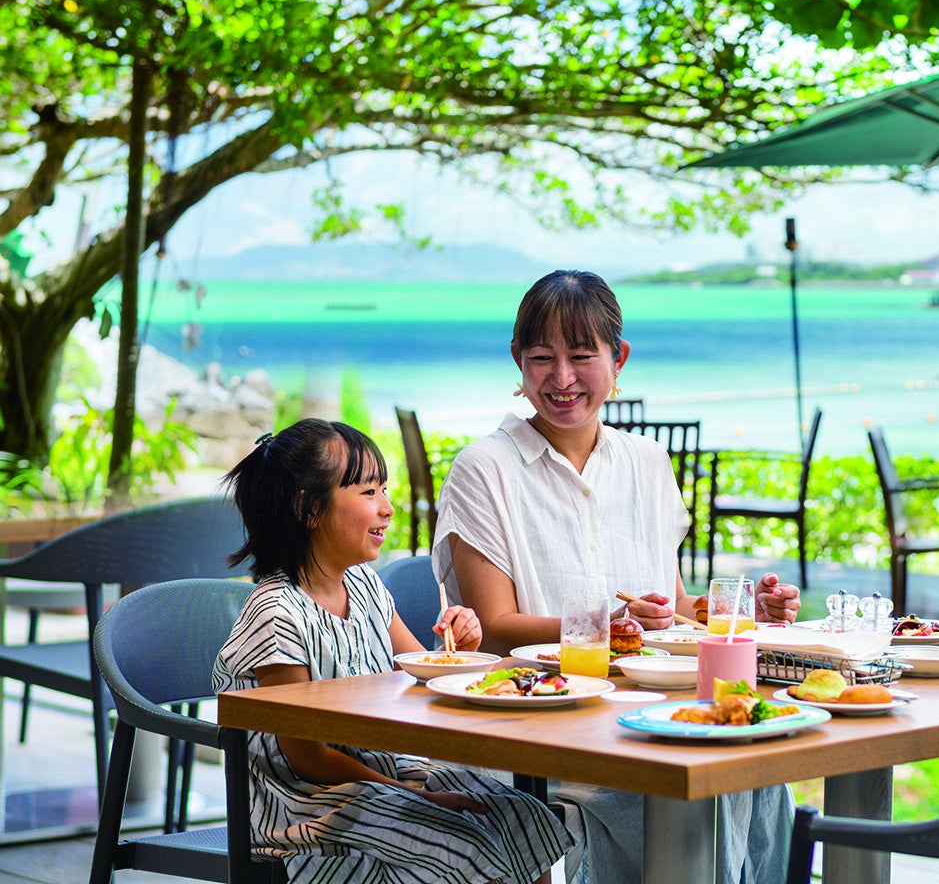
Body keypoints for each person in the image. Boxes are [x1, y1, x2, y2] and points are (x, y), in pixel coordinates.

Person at [433, 268, 801, 884]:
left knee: (759, 774)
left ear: (618, 358)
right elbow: (494, 630)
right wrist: (606, 625)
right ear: (518, 362)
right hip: (543, 729)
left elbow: (674, 606)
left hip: (654, 714)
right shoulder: (484, 468)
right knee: (695, 787)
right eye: (541, 358)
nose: (562, 378)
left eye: (582, 356)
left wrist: (741, 617)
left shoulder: (647, 462)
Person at [212, 419, 573, 884]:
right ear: (308, 508)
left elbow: (419, 677)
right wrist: (416, 795)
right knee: (463, 846)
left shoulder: (364, 585)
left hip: (378, 771)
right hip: (306, 805)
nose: (387, 508)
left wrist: (460, 645)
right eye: (368, 493)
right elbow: (307, 758)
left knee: (520, 817)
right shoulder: (277, 612)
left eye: (384, 490)